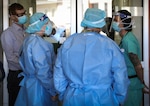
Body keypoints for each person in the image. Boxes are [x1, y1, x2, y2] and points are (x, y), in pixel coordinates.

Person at [53, 8, 130, 106]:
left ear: (85, 22)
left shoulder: (68, 43)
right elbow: (120, 77)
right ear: (101, 24)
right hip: (102, 99)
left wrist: (64, 94)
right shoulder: (110, 45)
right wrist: (119, 98)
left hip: (73, 98)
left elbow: (58, 74)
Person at [14, 12, 58, 106]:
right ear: (39, 25)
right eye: (46, 23)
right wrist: (52, 91)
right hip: (40, 87)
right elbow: (42, 71)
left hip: (30, 85)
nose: (49, 25)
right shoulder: (37, 43)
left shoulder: (29, 40)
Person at [112, 10, 149, 106]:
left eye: (116, 20)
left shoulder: (129, 40)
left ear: (123, 23)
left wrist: (141, 83)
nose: (114, 23)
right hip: (127, 83)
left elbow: (137, 65)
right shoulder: (125, 39)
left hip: (133, 85)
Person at [1, 3, 27, 106]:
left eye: (24, 13)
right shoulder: (8, 34)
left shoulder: (27, 31)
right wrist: (27, 66)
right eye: (20, 15)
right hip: (16, 75)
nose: (23, 16)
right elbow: (11, 58)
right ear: (12, 16)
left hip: (29, 75)